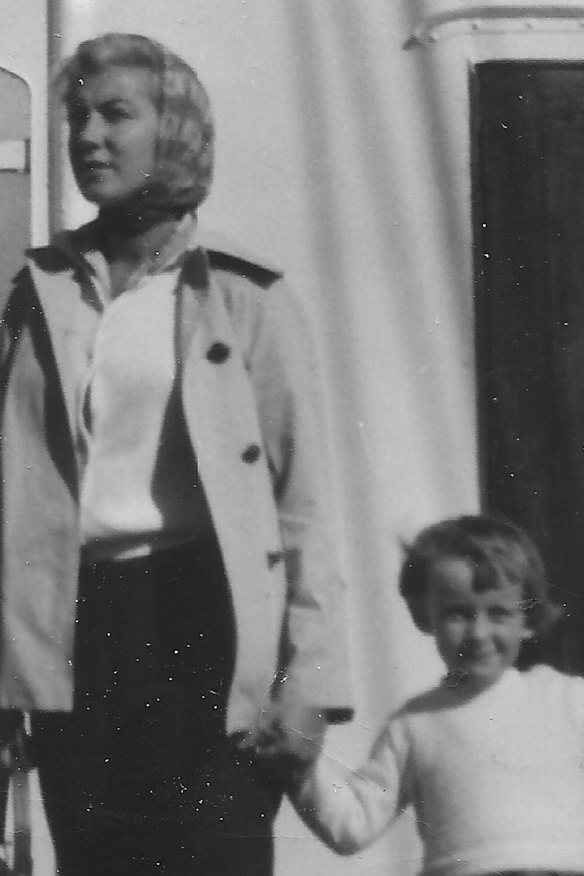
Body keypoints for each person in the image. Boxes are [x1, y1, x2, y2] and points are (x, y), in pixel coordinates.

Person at [0, 32, 352, 876]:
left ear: (178, 131)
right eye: (76, 115)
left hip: (208, 625)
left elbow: (303, 505)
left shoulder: (245, 296)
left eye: (115, 113)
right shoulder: (36, 294)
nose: (87, 135)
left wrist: (311, 684)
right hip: (76, 628)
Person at [288, 515, 584, 876]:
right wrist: (298, 761)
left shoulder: (568, 701)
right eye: (458, 613)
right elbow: (352, 825)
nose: (478, 632)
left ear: (528, 619)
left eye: (499, 613)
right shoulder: (416, 724)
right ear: (424, 615)